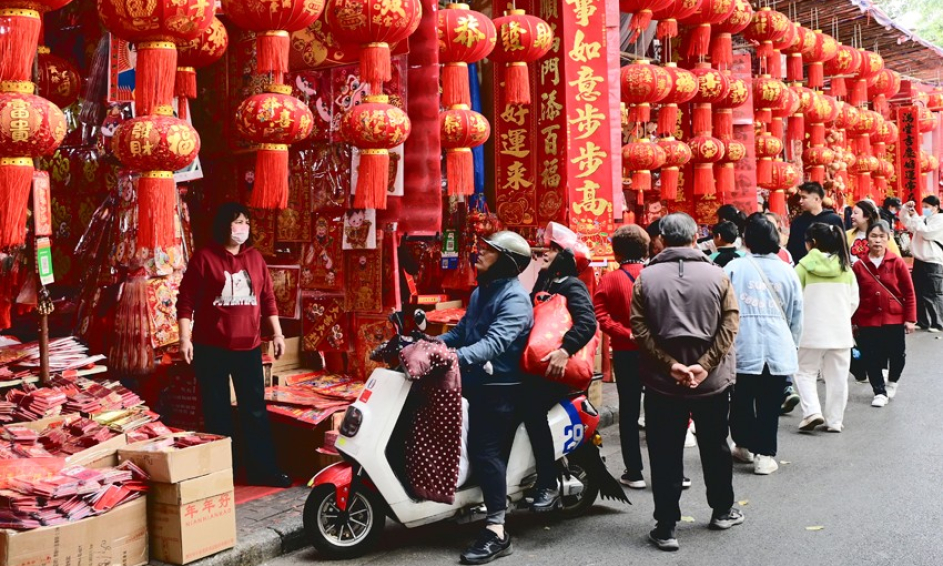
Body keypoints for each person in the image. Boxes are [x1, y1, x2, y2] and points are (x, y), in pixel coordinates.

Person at [629, 213, 742, 552]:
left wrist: (671, 364)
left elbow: (639, 329)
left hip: (663, 381)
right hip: (711, 382)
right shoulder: (717, 275)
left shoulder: (646, 278)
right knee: (715, 445)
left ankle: (666, 526)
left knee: (664, 452)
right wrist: (704, 365)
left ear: (660, 239)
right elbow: (730, 325)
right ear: (696, 237)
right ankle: (722, 509)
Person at [176, 202, 290, 487]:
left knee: (254, 410)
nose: (242, 228)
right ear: (223, 226)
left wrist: (277, 334)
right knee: (217, 411)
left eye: (245, 222)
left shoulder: (255, 259)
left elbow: (267, 299)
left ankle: (263, 470)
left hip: (248, 347)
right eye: (236, 222)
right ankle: (223, 471)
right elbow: (186, 300)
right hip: (210, 347)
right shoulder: (204, 258)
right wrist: (185, 338)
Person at [440, 231, 533, 565]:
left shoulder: (515, 299)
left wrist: (456, 357)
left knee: (485, 450)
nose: (478, 253)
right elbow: (462, 332)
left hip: (501, 387)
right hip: (474, 381)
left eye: (488, 251)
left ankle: (496, 528)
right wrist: (429, 343)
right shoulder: (483, 291)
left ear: (506, 262)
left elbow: (494, 343)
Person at [523, 223, 597, 512]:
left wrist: (565, 350)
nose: (546, 252)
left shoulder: (571, 285)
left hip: (555, 372)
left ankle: (547, 480)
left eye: (553, 249)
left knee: (531, 410)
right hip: (535, 366)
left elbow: (588, 322)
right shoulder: (545, 281)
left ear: (565, 256)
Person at [724, 214, 803, 476]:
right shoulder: (787, 271)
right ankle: (765, 455)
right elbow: (796, 314)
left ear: (746, 239)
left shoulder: (734, 268)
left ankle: (744, 444)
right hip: (778, 346)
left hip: (743, 346)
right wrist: (793, 345)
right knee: (770, 404)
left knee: (741, 400)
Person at [594, 225, 649, 489]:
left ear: (616, 252)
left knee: (628, 411)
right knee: (661, 409)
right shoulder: (655, 275)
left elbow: (600, 315)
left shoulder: (609, 280)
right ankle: (673, 471)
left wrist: (625, 333)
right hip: (656, 354)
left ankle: (634, 472)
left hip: (626, 354)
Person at [793, 223, 859, 433]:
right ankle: (834, 421)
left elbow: (793, 300)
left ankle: (812, 411)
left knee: (804, 372)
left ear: (812, 243)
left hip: (810, 332)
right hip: (839, 331)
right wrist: (839, 317)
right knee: (838, 378)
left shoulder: (802, 267)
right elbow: (853, 302)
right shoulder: (846, 269)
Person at [852, 221, 917, 407]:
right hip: (867, 318)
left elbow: (909, 292)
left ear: (888, 239)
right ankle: (879, 391)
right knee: (871, 356)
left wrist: (910, 319)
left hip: (894, 317)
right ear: (867, 240)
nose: (878, 240)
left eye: (882, 236)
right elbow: (853, 295)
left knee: (897, 355)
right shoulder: (859, 266)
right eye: (873, 236)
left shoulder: (897, 262)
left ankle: (892, 382)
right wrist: (854, 321)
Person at [900, 196, 943, 332]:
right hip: (919, 259)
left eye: (927, 207)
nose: (924, 209)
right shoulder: (924, 219)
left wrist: (916, 217)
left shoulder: (940, 220)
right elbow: (908, 223)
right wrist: (906, 209)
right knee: (918, 291)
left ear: (936, 207)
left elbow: (927, 233)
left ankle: (938, 322)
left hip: (933, 260)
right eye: (923, 206)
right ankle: (923, 321)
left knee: (933, 293)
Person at [787, 182, 845, 263]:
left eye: (804, 198)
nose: (800, 201)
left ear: (817, 199)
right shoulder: (797, 222)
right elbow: (792, 250)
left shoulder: (834, 220)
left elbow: (842, 248)